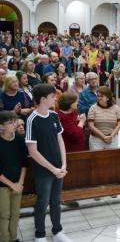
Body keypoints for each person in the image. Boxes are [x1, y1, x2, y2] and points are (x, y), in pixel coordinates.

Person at [25, 84, 73, 242]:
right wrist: (53, 169)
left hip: (58, 167)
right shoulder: (32, 119)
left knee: (55, 201)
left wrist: (64, 164)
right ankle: (40, 234)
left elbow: (60, 140)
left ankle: (57, 231)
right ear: (43, 99)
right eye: (53, 96)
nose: (55, 98)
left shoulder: (53, 115)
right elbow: (33, 151)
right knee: (42, 202)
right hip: (44, 170)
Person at [0, 111, 27, 242]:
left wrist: (20, 183)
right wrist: (12, 185)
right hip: (2, 185)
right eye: (10, 123)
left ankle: (13, 237)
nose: (14, 125)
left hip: (18, 183)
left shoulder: (19, 139)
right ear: (2, 126)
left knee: (15, 213)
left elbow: (24, 164)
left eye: (15, 121)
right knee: (4, 214)